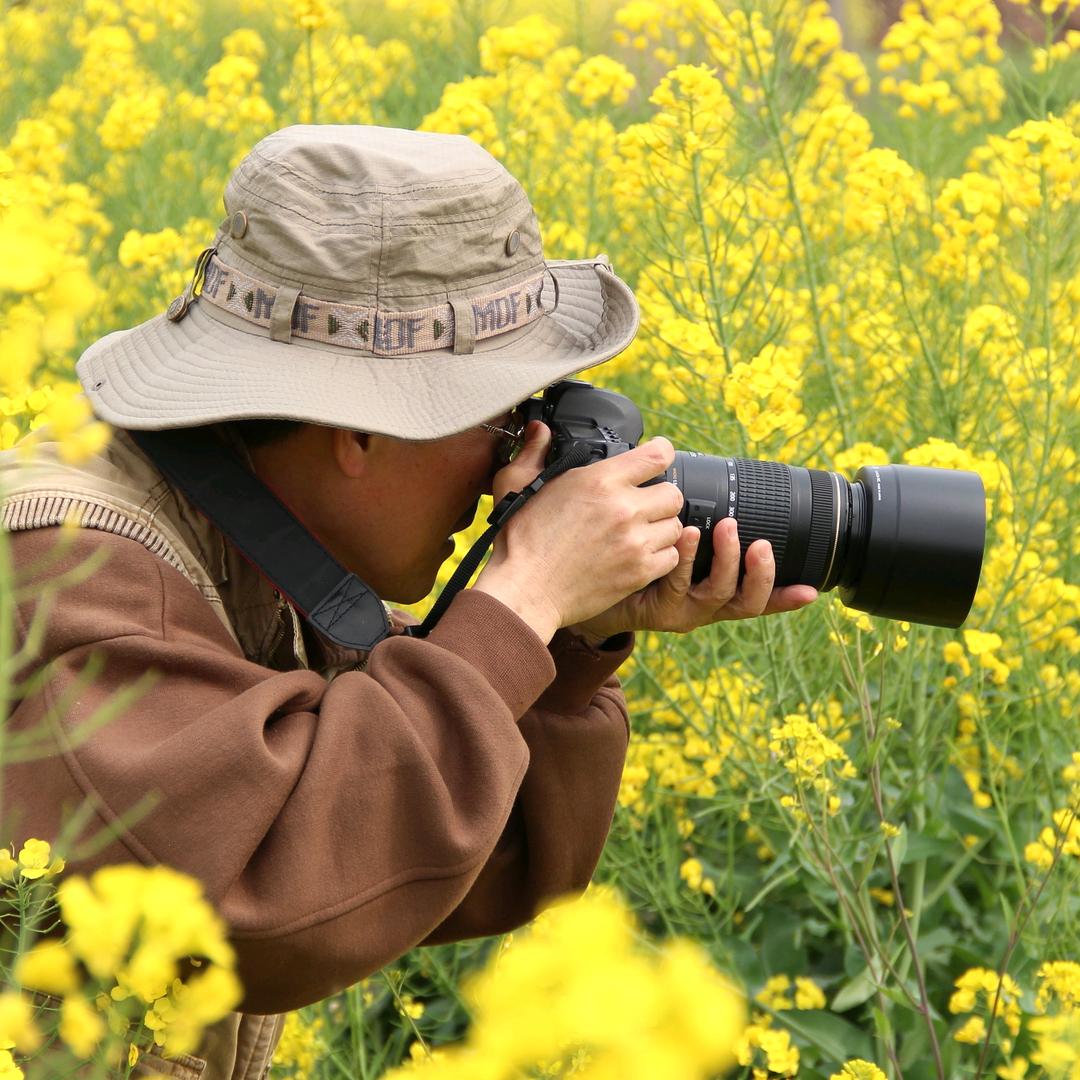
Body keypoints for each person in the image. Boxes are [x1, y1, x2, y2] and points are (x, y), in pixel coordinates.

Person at [0, 124, 817, 1078]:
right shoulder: (74, 565)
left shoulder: (254, 541)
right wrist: (520, 598)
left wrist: (564, 644)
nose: (519, 466)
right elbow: (254, 906)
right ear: (360, 430)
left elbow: (428, 867)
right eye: (504, 418)